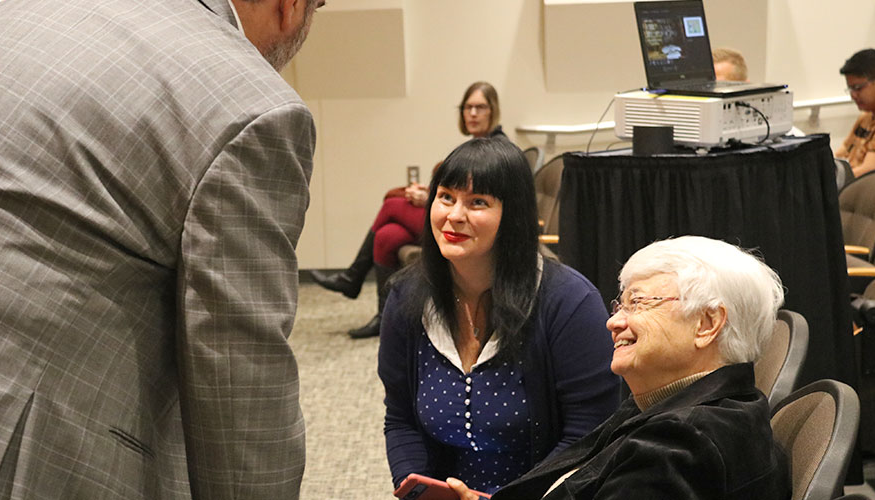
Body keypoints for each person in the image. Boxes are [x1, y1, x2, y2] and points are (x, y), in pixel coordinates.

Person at [0, 0, 322, 498]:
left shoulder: (22, 10)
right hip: (36, 451)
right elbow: (241, 402)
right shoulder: (250, 105)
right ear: (292, 6)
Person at [447, 236, 792, 500]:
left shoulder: (682, 442)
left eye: (638, 303)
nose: (614, 321)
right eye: (620, 304)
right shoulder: (672, 407)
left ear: (707, 323)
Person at [378, 137, 620, 494]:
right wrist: (420, 491)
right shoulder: (406, 296)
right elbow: (400, 420)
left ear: (513, 216)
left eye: (477, 202)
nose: (454, 215)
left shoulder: (570, 302)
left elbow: (589, 436)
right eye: (446, 197)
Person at [312, 81, 505, 339]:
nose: (472, 114)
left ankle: (352, 277)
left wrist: (428, 199)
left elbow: (478, 201)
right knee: (387, 236)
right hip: (453, 215)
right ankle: (383, 317)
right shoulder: (470, 147)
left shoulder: (500, 150)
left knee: (392, 205)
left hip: (469, 223)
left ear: (492, 110)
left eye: (479, 107)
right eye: (467, 107)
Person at [837, 49, 875, 177]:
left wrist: (830, 183)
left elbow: (870, 171)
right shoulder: (865, 118)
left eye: (858, 88)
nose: (853, 95)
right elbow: (839, 156)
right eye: (850, 89)